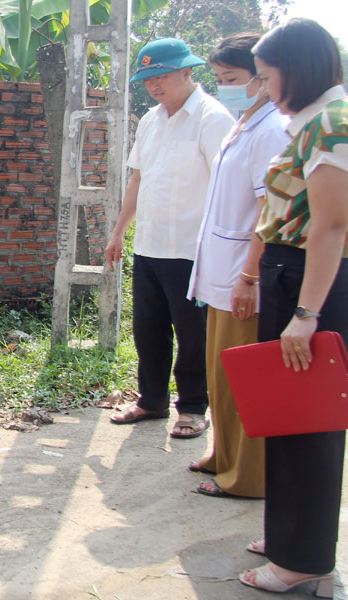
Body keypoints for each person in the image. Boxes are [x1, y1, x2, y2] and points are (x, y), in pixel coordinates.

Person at [238, 19, 348, 596]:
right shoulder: (319, 120)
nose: (263, 89)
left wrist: (306, 313)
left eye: (267, 77)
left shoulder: (332, 124)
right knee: (290, 418)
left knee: (310, 426)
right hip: (295, 275)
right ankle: (289, 536)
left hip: (311, 282)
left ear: (297, 70)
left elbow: (330, 226)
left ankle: (303, 559)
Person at [105, 38, 235, 438]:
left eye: (161, 76)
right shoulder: (150, 120)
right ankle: (152, 400)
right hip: (150, 245)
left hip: (193, 250)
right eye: (148, 79)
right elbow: (138, 179)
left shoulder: (213, 119)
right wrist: (119, 231)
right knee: (148, 329)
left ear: (187, 71)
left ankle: (193, 407)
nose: (154, 85)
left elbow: (227, 187)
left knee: (193, 334)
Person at [185, 33, 291, 499]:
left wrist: (250, 276)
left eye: (232, 79)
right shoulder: (244, 123)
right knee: (221, 376)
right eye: (220, 79)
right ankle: (223, 455)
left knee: (246, 380)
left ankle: (247, 475)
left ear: (263, 78)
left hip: (243, 276)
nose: (224, 88)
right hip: (221, 274)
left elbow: (270, 213)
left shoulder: (272, 131)